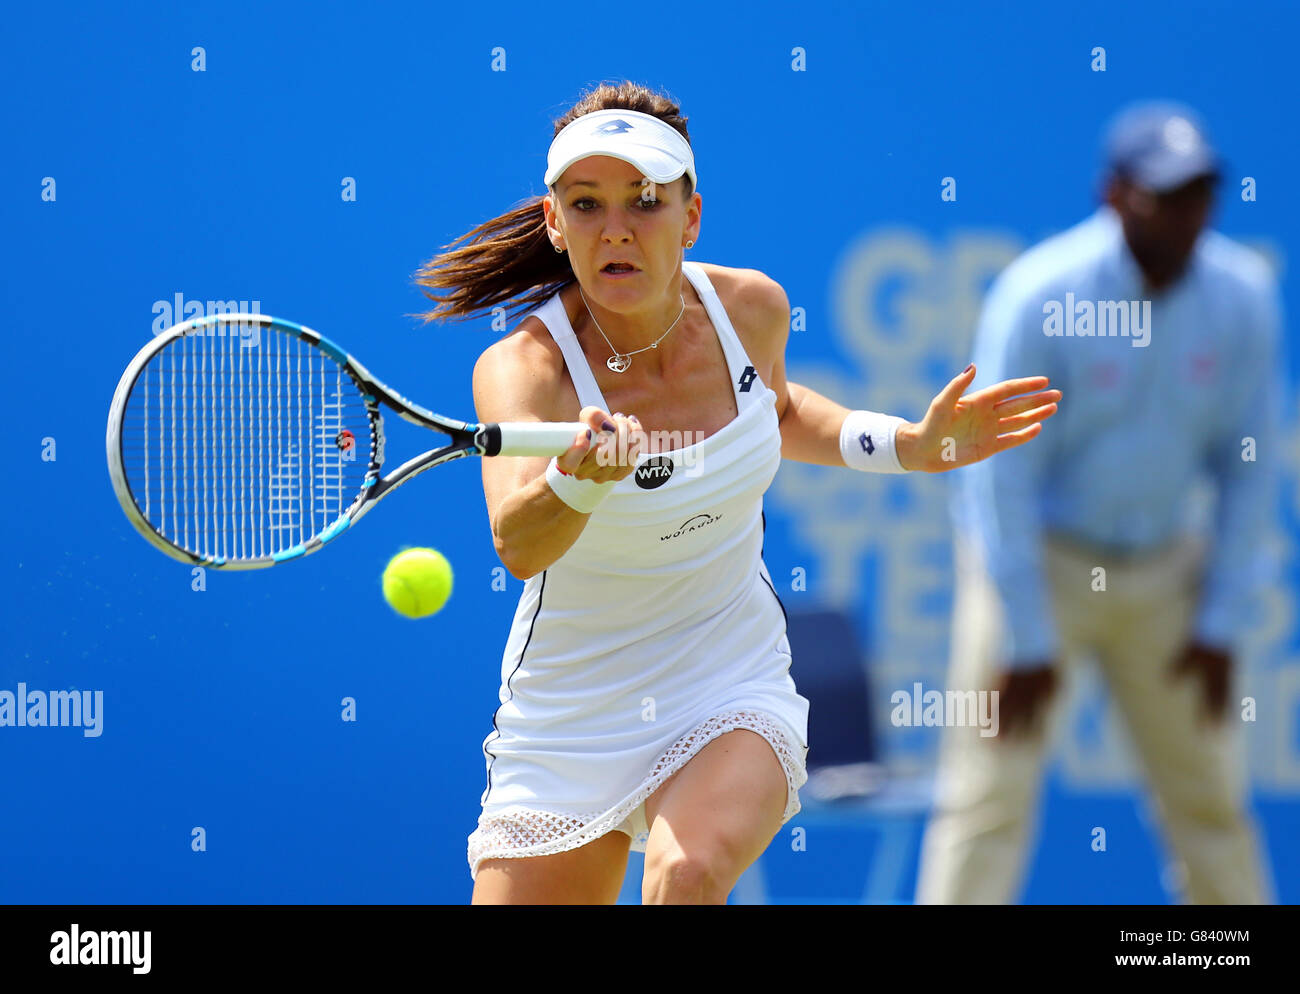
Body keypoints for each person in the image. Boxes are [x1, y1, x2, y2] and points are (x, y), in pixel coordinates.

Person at [415, 81, 1060, 905]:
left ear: (690, 217)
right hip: (570, 712)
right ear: (555, 223)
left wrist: (909, 445)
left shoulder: (750, 309)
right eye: (587, 204)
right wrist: (577, 486)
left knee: (686, 873)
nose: (616, 228)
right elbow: (518, 543)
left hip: (728, 676)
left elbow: (781, 411)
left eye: (645, 202)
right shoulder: (522, 370)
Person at [915, 101, 1282, 905]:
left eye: (1199, 196)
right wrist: (1026, 635)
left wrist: (1220, 621)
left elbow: (1248, 468)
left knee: (1211, 805)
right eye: (1165, 197)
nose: (1187, 217)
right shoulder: (1041, 294)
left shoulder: (1244, 296)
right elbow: (999, 477)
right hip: (1037, 566)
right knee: (985, 802)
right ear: (1115, 196)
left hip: (1166, 575)